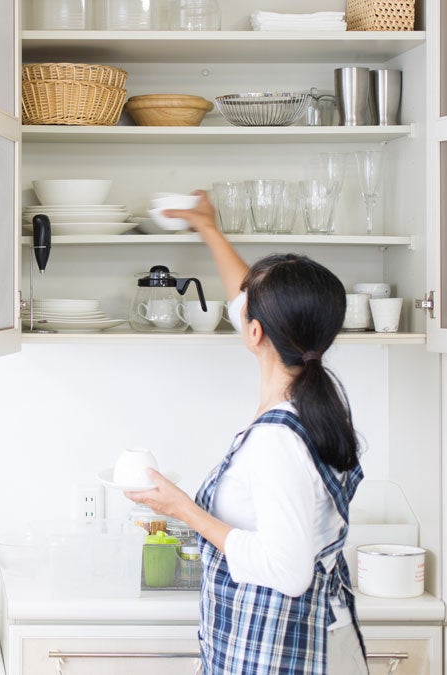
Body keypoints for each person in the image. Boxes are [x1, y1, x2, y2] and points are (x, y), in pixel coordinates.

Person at [127, 190, 369, 674]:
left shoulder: (277, 440)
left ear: (256, 333)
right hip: (311, 641)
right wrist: (208, 228)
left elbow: (289, 571)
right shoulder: (319, 397)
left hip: (279, 655)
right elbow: (248, 302)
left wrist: (184, 510)